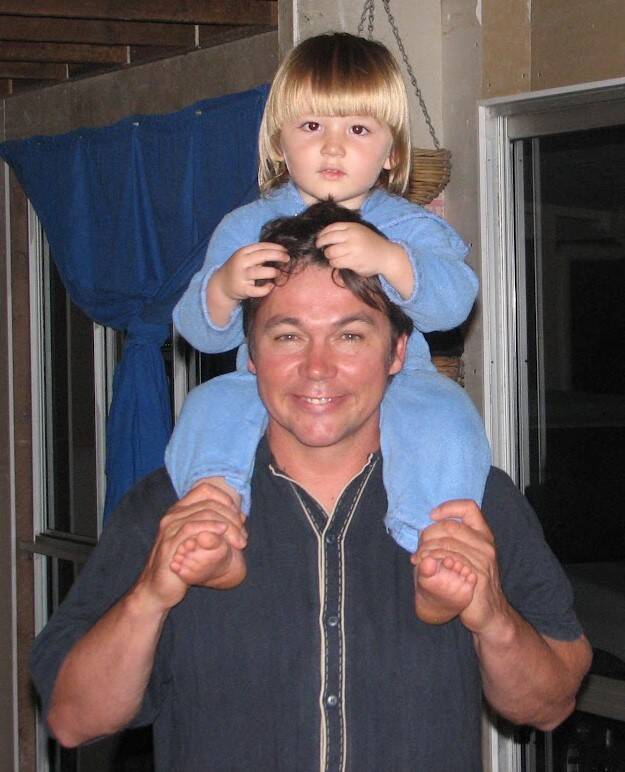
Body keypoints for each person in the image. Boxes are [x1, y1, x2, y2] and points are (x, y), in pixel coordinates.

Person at [31, 202, 591, 771]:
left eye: (350, 335)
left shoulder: (470, 496)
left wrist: (493, 617)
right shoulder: (174, 501)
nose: (317, 368)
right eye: (287, 336)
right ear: (250, 355)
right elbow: (74, 719)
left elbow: (550, 705)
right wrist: (148, 597)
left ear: (397, 352)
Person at [167, 32, 492, 580]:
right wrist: (222, 288)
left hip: (402, 378)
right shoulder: (246, 226)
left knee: (449, 419)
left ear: (392, 153)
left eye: (358, 130)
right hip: (266, 378)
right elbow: (202, 335)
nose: (333, 148)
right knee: (208, 405)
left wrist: (391, 259)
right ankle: (213, 524)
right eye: (312, 127)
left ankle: (433, 547)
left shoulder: (411, 227)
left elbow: (454, 304)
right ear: (279, 142)